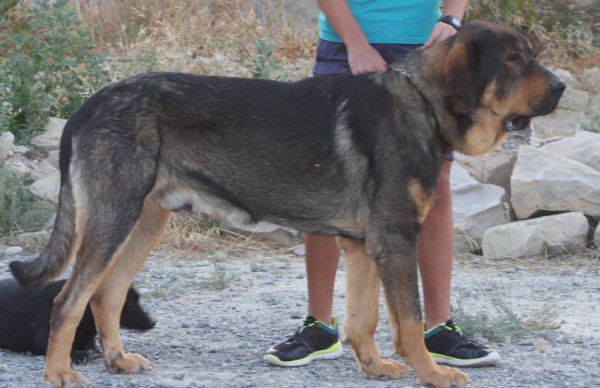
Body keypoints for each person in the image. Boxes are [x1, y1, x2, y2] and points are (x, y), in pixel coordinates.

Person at [264, 0, 500, 368]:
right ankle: (319, 326)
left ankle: (438, 328)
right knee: (325, 180)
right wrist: (356, 42)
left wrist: (452, 20)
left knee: (435, 180)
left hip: (427, 49)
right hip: (347, 45)